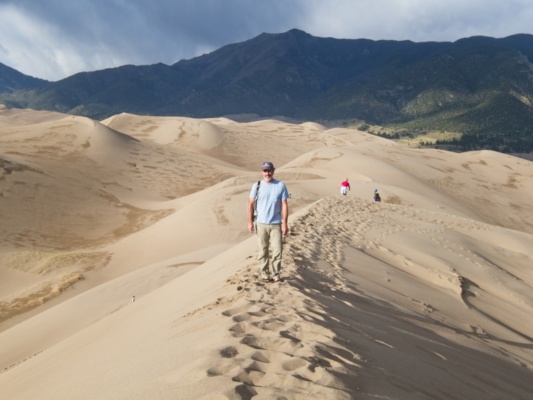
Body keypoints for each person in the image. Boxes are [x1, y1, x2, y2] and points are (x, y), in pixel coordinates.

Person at [248, 161, 289, 282]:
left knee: (277, 250)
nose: (267, 173)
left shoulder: (280, 185)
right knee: (263, 250)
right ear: (262, 172)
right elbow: (250, 204)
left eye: (269, 170)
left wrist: (285, 223)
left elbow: (284, 205)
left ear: (273, 171)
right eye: (265, 171)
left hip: (276, 223)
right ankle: (265, 274)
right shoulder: (257, 186)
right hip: (260, 223)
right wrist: (250, 222)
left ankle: (276, 275)